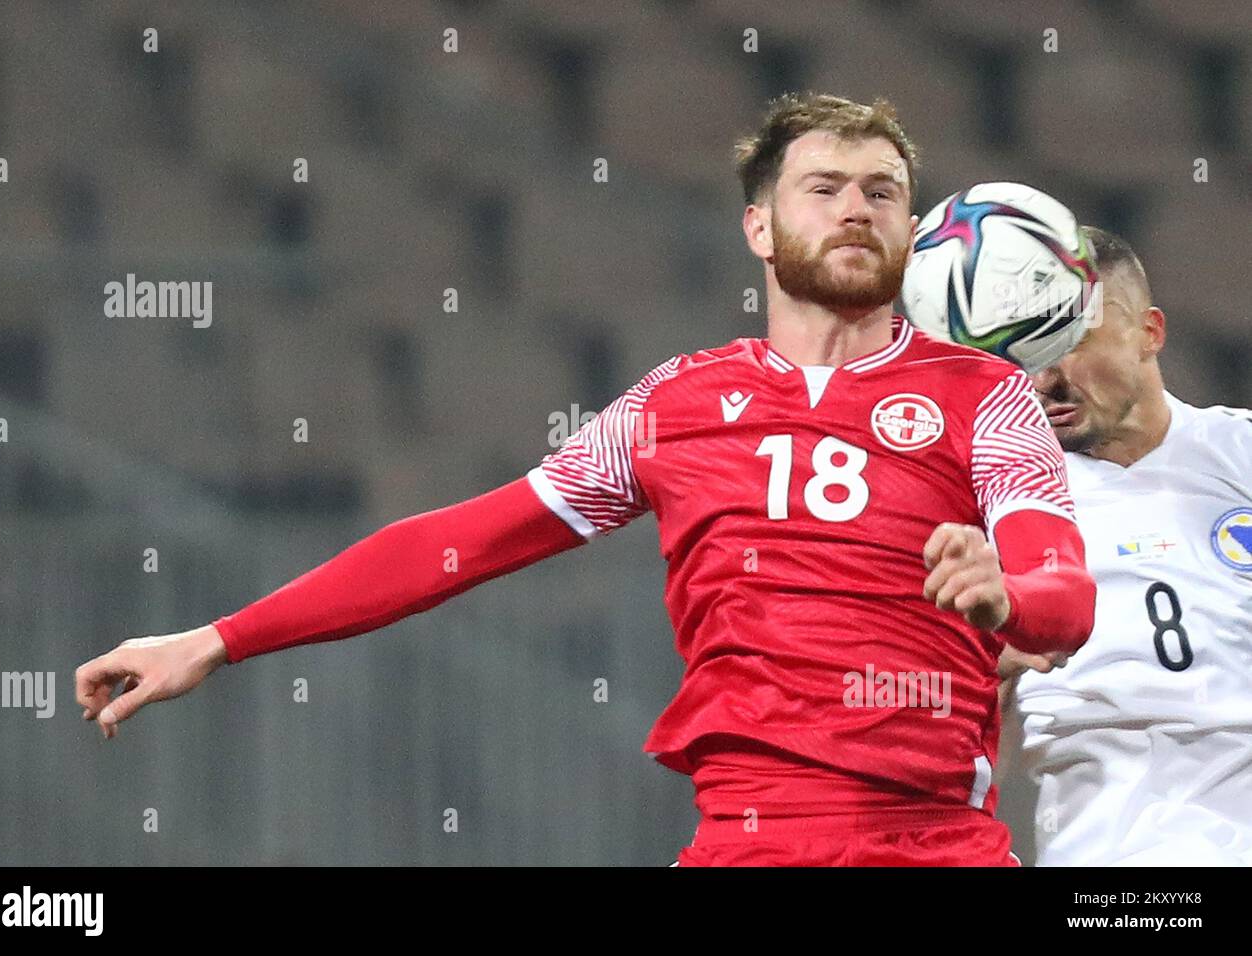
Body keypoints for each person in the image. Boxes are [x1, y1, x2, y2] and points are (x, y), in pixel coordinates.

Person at [75, 92, 1095, 866]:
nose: (855, 209)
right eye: (822, 188)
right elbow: (458, 542)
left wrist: (1008, 593)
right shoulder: (673, 404)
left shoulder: (985, 398)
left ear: (913, 230)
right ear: (757, 228)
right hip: (744, 841)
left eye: (882, 192)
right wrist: (216, 637)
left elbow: (1066, 601)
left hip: (934, 844)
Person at [1000, 226, 1252, 865]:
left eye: (1068, 340)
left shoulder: (1241, 454)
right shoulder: (1008, 507)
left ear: (1150, 331)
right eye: (1027, 348)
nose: (1045, 376)